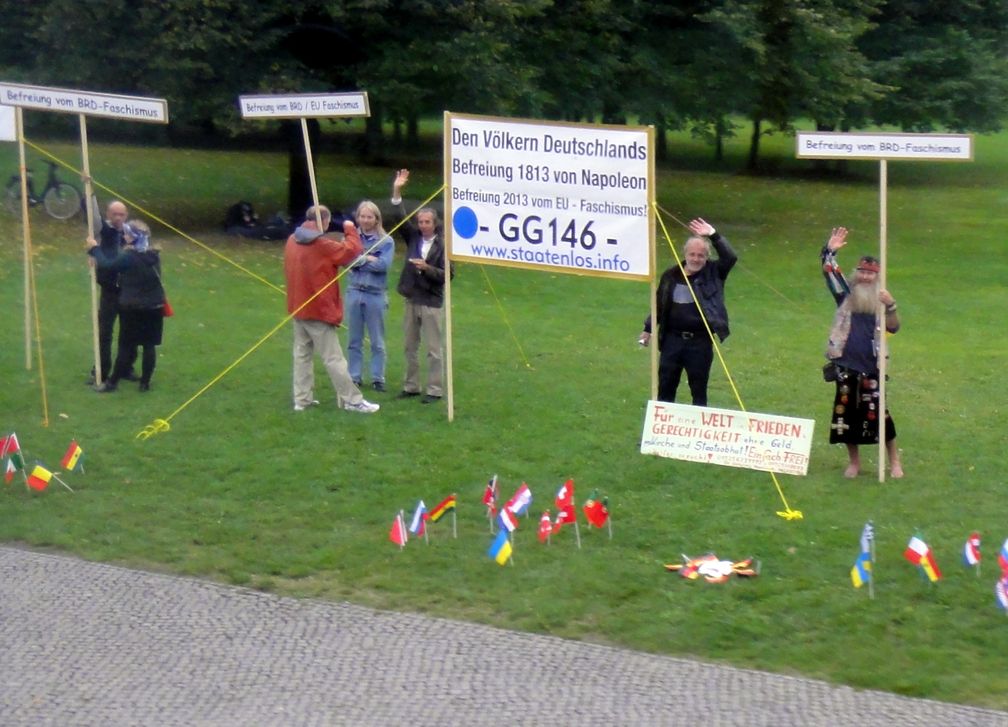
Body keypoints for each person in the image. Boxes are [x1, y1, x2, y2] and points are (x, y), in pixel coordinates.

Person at [821, 227, 903, 479]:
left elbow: (894, 327)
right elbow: (829, 271)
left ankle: (894, 461)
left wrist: (891, 305)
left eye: (871, 273)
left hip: (872, 365)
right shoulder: (845, 295)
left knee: (880, 414)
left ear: (877, 276)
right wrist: (829, 250)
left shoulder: (882, 299)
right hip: (846, 364)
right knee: (846, 415)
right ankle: (854, 462)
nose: (866, 277)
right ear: (857, 273)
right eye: (863, 272)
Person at [284, 204, 379, 414]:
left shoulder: (292, 240)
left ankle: (302, 399)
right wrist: (349, 228)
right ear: (323, 222)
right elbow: (352, 250)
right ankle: (353, 400)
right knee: (333, 358)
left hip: (298, 307)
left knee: (302, 355)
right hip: (318, 310)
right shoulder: (320, 244)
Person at [640, 218, 736, 406]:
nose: (696, 259)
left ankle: (698, 431)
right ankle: (664, 430)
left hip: (700, 342)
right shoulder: (671, 276)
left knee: (698, 390)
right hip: (672, 341)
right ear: (685, 254)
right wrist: (648, 328)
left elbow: (730, 258)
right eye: (692, 254)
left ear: (706, 257)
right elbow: (659, 304)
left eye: (701, 255)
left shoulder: (714, 273)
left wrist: (714, 235)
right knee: (666, 387)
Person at [390, 169, 454, 404]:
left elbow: (448, 275)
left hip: (431, 301)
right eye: (420, 222)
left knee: (434, 349)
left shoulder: (445, 245)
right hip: (411, 298)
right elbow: (399, 217)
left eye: (427, 222)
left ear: (434, 223)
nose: (423, 225)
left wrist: (427, 268)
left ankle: (435, 390)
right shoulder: (414, 238)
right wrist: (397, 190)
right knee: (409, 346)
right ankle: (411, 386)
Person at [87, 220, 166, 392]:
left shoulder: (129, 257)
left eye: (128, 233)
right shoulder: (154, 255)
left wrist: (94, 249)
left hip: (133, 307)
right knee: (149, 345)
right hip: (155, 305)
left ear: (134, 237)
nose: (124, 236)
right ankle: (144, 384)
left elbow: (108, 265)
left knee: (126, 345)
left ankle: (112, 383)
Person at [87, 197, 137, 384]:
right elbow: (93, 217)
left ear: (126, 215)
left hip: (129, 291)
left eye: (121, 214)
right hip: (109, 291)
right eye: (114, 214)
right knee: (104, 332)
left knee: (129, 332)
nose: (118, 217)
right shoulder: (104, 231)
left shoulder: (133, 234)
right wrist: (90, 194)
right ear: (108, 214)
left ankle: (125, 368)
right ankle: (101, 370)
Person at [346, 200, 394, 392]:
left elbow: (383, 266)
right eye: (362, 216)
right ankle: (354, 376)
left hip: (375, 294)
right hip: (355, 291)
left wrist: (359, 261)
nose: (365, 220)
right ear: (358, 218)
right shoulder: (351, 238)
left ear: (376, 219)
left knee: (377, 340)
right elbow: (346, 261)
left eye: (369, 217)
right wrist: (367, 258)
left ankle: (377, 378)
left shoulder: (386, 241)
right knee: (354, 339)